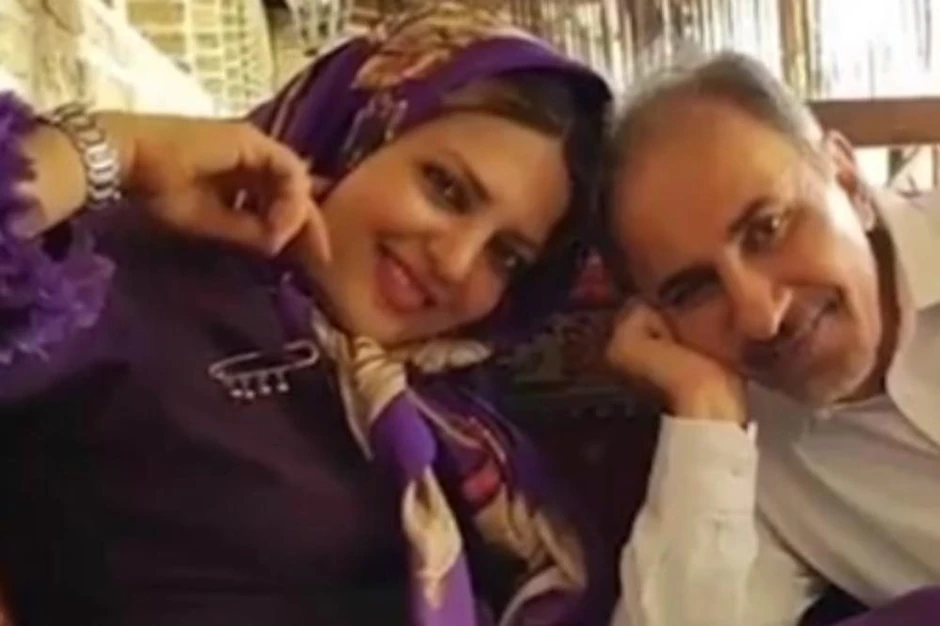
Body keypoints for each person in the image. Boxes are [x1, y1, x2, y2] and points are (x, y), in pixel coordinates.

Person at [0, 3, 612, 625]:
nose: (456, 264)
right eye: (446, 189)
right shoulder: (129, 279)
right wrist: (116, 148)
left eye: (505, 256)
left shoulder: (463, 428)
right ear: (358, 132)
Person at [600, 52, 940, 626]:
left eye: (768, 229)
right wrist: (706, 407)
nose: (759, 317)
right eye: (693, 290)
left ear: (848, 179)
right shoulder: (747, 467)